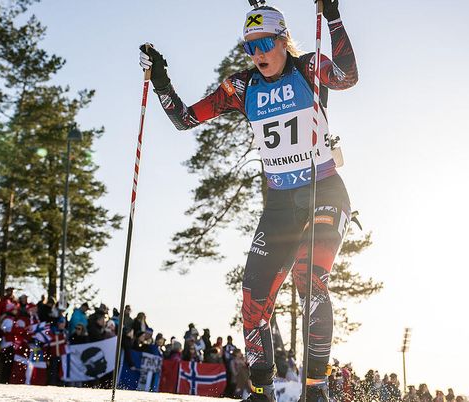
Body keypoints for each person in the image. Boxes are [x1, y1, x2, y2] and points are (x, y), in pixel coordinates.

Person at [139, 1, 356, 400]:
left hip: (322, 189)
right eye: (249, 47)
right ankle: (261, 391)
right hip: (279, 203)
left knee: (309, 279)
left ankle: (315, 387)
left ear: (283, 41)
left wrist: (333, 16)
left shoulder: (307, 67)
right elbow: (185, 119)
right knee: (252, 299)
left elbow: (347, 76)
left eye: (265, 43)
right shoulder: (242, 87)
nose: (257, 54)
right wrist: (162, 83)